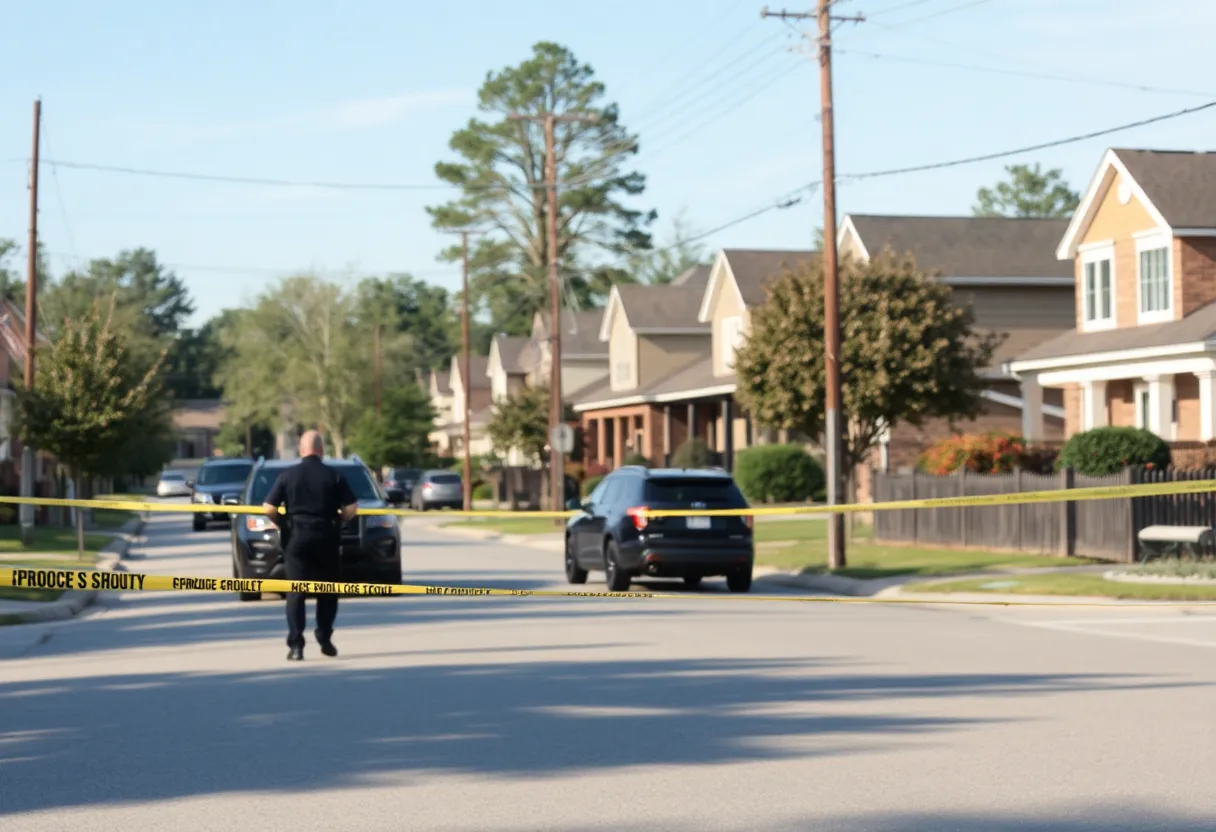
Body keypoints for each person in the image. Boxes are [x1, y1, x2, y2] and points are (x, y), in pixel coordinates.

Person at [262, 430, 358, 661]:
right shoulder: (334, 475)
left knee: (296, 592)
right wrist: (339, 521)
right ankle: (324, 637)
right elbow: (352, 507)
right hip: (326, 536)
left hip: (296, 539)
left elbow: (268, 507)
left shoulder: (288, 475)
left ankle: (296, 646)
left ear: (301, 450)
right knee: (328, 591)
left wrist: (284, 524)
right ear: (322, 450)